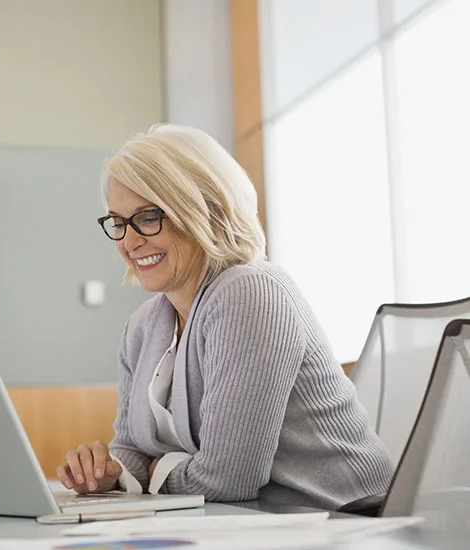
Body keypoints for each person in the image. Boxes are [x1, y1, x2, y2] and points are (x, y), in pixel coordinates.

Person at [56, 124, 393, 508]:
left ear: (203, 209)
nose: (130, 241)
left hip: (341, 521)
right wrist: (108, 474)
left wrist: (153, 473)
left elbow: (227, 480)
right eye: (118, 222)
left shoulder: (250, 292)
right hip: (246, 524)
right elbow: (131, 448)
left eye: (148, 217)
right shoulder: (143, 327)